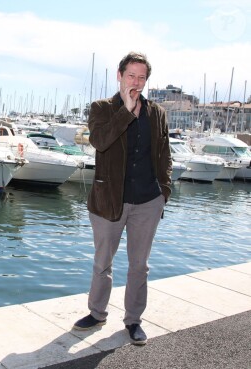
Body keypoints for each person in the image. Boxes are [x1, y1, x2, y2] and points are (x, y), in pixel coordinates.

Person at [73, 52, 172, 346]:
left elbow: (165, 154)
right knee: (103, 262)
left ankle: (133, 320)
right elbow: (100, 142)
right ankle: (97, 313)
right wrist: (126, 111)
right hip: (109, 202)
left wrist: (163, 192)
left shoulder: (157, 113)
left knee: (139, 265)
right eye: (131, 75)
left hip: (148, 201)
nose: (136, 82)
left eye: (142, 77)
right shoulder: (102, 109)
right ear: (119, 75)